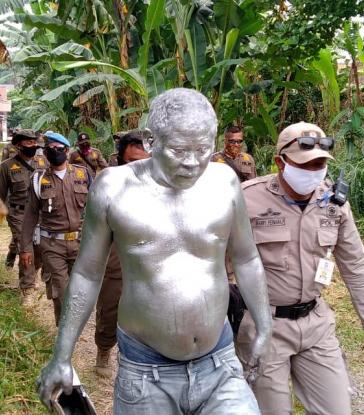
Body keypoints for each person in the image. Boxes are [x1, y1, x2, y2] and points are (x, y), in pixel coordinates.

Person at [35, 88, 272, 414]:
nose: (192, 162)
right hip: (146, 372)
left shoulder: (224, 182)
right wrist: (62, 356)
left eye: (203, 149)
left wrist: (264, 324)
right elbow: (89, 273)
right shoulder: (113, 188)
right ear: (150, 141)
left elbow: (246, 258)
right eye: (178, 150)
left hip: (220, 363)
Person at [236, 121, 364, 415]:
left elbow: (355, 264)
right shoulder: (246, 199)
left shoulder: (333, 203)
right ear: (280, 162)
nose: (313, 171)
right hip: (265, 324)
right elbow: (219, 264)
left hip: (316, 322)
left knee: (336, 409)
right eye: (305, 164)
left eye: (320, 164)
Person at [93, 129, 151, 378]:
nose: (138, 168)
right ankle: (104, 348)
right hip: (117, 251)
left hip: (152, 251)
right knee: (111, 304)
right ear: (119, 160)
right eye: (131, 162)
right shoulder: (108, 185)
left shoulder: (165, 183)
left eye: (144, 162)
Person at [20, 131, 91, 324]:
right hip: (52, 244)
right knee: (60, 290)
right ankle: (64, 331)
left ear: (66, 150)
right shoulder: (38, 179)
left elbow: (96, 208)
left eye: (57, 148)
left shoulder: (82, 174)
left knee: (79, 290)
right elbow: (30, 215)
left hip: (80, 243)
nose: (53, 151)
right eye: (49, 148)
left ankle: (74, 326)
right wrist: (25, 248)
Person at [0, 129, 47, 305]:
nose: (32, 145)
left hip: (40, 214)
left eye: (34, 142)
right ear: (18, 145)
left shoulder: (43, 162)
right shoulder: (7, 166)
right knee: (26, 250)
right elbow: (0, 194)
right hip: (18, 214)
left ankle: (31, 275)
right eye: (28, 142)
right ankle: (28, 290)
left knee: (39, 249)